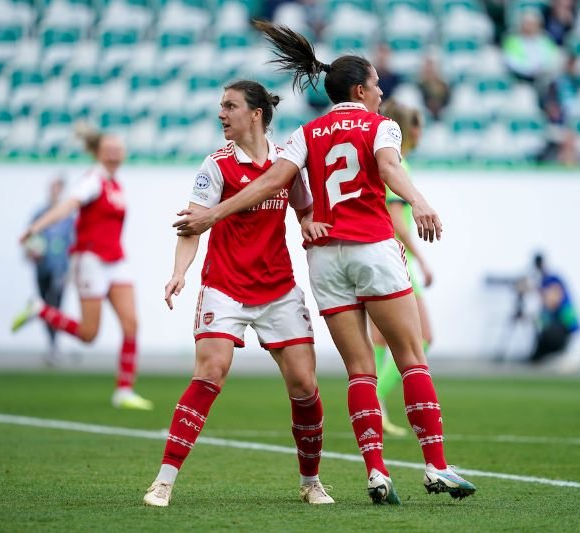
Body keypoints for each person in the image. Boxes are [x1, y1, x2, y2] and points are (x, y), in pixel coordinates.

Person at [171, 20, 476, 504]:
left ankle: (377, 473)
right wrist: (418, 201)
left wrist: (213, 215)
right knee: (412, 356)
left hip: (325, 259)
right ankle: (436, 466)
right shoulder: (382, 125)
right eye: (376, 84)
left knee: (359, 372)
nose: (380, 92)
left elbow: (271, 183)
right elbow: (390, 167)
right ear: (361, 88)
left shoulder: (305, 133)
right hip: (373, 247)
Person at [142, 80, 333, 508]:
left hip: (278, 288)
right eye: (220, 106)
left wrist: (306, 223)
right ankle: (164, 481)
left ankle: (311, 481)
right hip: (224, 285)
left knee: (305, 385)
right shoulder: (216, 165)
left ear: (256, 114)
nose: (221, 113)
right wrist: (179, 272)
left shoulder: (288, 163)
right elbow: (193, 224)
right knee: (210, 372)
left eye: (229, 106)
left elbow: (303, 207)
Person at [10, 126, 153, 411]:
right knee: (89, 335)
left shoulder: (115, 184)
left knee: (131, 324)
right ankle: (40, 309)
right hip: (90, 260)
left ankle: (124, 391)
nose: (114, 153)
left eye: (118, 148)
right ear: (98, 153)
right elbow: (69, 205)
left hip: (115, 259)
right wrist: (36, 228)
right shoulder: (93, 181)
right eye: (109, 149)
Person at [367, 99, 433, 437]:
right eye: (419, 125)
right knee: (424, 337)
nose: (423, 132)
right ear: (409, 128)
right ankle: (376, 399)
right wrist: (421, 258)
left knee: (381, 340)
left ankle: (374, 406)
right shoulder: (398, 166)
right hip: (398, 260)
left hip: (384, 258)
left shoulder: (387, 162)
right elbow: (397, 221)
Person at [24, 175, 75, 365]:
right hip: (42, 267)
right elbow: (30, 239)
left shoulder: (67, 217)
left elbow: (73, 243)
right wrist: (30, 251)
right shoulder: (39, 214)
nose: (55, 191)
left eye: (58, 188)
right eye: (52, 188)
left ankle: (55, 347)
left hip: (59, 268)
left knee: (55, 305)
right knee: (45, 307)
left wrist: (72, 270)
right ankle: (51, 344)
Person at [524, 253, 580, 364]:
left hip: (563, 326)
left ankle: (558, 355)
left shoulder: (553, 280)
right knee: (538, 326)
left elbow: (553, 300)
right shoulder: (543, 281)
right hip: (555, 324)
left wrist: (536, 290)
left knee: (545, 328)